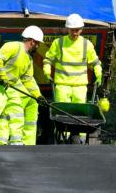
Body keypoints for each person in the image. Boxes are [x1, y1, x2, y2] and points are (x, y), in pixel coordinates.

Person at [43, 13, 102, 143]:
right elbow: (48, 60)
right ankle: (62, 136)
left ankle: (78, 139)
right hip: (62, 85)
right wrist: (47, 72)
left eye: (77, 30)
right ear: (67, 29)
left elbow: (95, 62)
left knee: (80, 116)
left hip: (80, 86)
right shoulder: (58, 43)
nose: (75, 33)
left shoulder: (87, 45)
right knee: (62, 114)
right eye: (72, 30)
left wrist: (98, 74)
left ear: (81, 29)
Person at [0, 26, 44, 145]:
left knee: (15, 113)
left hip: (10, 86)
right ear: (32, 41)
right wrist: (4, 78)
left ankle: (17, 142)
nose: (38, 46)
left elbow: (28, 80)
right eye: (38, 44)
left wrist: (38, 96)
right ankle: (14, 142)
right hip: (1, 85)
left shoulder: (28, 59)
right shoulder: (13, 46)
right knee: (16, 112)